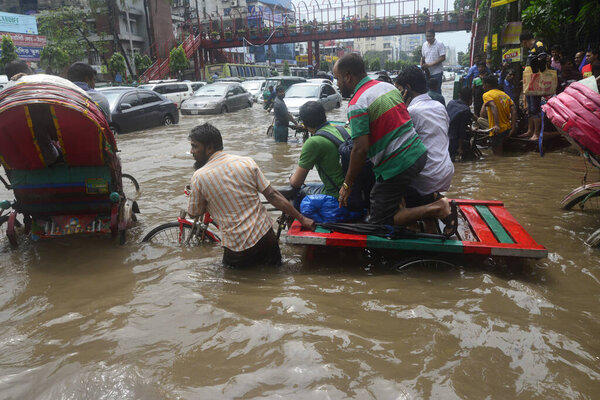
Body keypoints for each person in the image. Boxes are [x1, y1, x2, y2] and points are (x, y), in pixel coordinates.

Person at [332, 54, 455, 233]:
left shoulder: (357, 103)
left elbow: (360, 149)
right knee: (387, 190)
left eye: (337, 78)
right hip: (419, 155)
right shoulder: (387, 87)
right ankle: (416, 209)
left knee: (379, 220)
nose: (337, 84)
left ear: (348, 76)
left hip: (399, 165)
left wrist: (347, 185)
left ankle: (439, 207)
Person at [186, 123, 315, 267]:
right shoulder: (246, 162)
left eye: (195, 146)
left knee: (233, 285)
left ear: (209, 147)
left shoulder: (199, 177)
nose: (191, 151)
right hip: (266, 238)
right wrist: (302, 219)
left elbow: (193, 213)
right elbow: (272, 195)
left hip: (238, 248)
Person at [395, 66, 454, 214]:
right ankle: (432, 198)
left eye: (400, 89)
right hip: (445, 171)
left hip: (427, 176)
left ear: (407, 88)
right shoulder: (439, 106)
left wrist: (401, 107)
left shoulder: (411, 112)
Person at [290, 101, 345, 200]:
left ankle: (297, 216)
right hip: (356, 190)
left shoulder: (313, 142)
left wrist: (291, 178)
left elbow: (296, 182)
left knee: (297, 191)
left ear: (305, 124)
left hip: (336, 194)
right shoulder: (344, 130)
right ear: (324, 116)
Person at [479, 74, 517, 155]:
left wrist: (496, 125)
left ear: (487, 84)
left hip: (497, 131)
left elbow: (492, 107)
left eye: (483, 84)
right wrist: (513, 128)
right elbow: (514, 111)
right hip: (507, 129)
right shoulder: (505, 95)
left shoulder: (487, 95)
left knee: (497, 158)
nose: (483, 87)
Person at [520, 31, 547, 140]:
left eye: (523, 43)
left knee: (535, 108)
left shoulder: (539, 45)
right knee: (530, 108)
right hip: (529, 82)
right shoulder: (531, 50)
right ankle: (530, 131)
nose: (523, 45)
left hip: (536, 81)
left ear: (525, 41)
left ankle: (536, 133)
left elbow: (543, 61)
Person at [447, 87, 477, 161]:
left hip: (445, 137)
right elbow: (461, 131)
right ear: (470, 99)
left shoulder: (451, 103)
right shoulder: (465, 110)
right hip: (454, 141)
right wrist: (460, 148)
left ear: (459, 95)